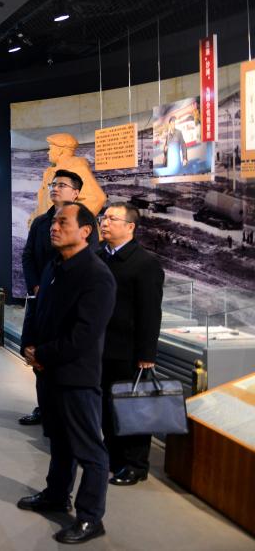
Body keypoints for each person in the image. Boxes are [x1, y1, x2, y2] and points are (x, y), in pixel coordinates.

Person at [19, 202, 116, 545]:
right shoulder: (53, 265)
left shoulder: (97, 275)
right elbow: (38, 309)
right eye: (54, 222)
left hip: (76, 376)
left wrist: (42, 354)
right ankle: (56, 495)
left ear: (85, 231)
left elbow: (83, 335)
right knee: (59, 441)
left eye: (63, 222)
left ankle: (90, 518)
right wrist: (28, 345)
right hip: (48, 372)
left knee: (90, 450)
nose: (54, 227)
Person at [19, 169, 98, 426]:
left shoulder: (85, 223)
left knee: (60, 353)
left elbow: (89, 258)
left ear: (76, 193)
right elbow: (28, 256)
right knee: (37, 354)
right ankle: (44, 407)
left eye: (62, 185)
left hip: (66, 301)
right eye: (53, 184)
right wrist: (37, 286)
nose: (54, 188)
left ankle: (64, 412)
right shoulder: (40, 223)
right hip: (41, 298)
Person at [97, 203, 164, 487]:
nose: (105, 223)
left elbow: (150, 312)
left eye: (112, 219)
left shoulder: (145, 263)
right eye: (103, 218)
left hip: (128, 351)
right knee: (106, 406)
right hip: (101, 348)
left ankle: (136, 464)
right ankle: (114, 457)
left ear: (130, 227)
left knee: (132, 407)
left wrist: (147, 353)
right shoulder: (98, 257)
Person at [28, 133, 106, 227]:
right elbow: (45, 201)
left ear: (60, 151)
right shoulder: (50, 172)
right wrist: (36, 217)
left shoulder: (77, 168)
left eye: (51, 149)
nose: (48, 152)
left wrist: (73, 223)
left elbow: (97, 198)